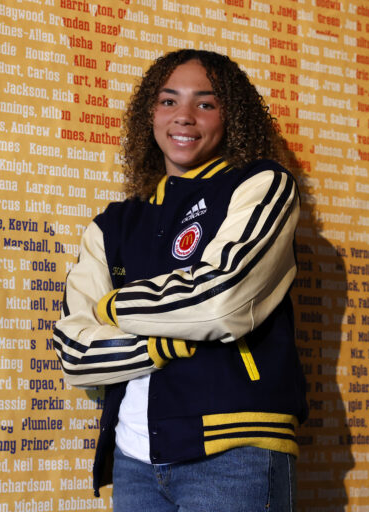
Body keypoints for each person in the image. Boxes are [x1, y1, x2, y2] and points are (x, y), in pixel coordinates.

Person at [53, 49, 308, 511]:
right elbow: (75, 351)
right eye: (168, 101)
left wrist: (112, 307)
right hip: (133, 462)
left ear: (231, 117)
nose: (184, 116)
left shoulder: (261, 185)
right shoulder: (114, 225)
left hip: (236, 453)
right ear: (149, 114)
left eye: (205, 103)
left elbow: (222, 300)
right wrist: (162, 344)